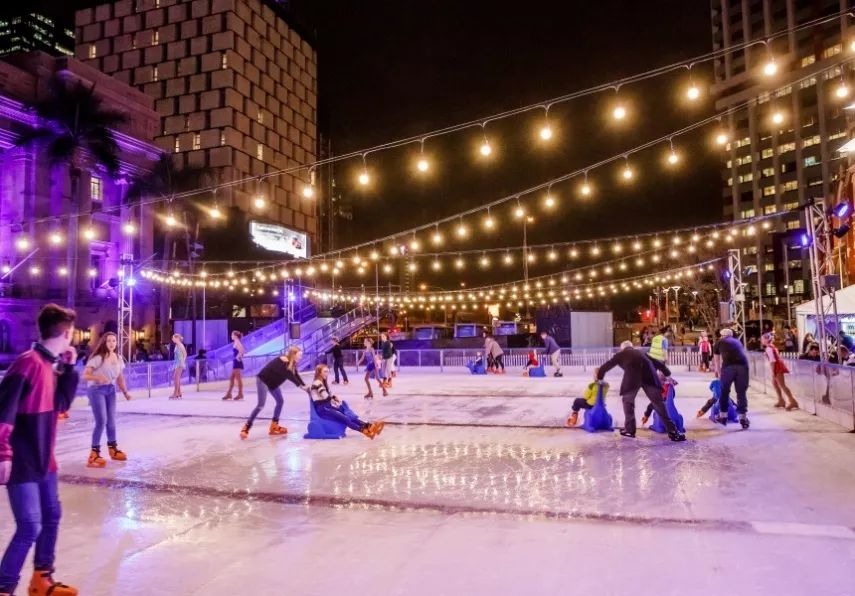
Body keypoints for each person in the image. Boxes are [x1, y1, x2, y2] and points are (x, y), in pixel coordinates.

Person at [0, 304, 79, 596]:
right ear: (67, 333)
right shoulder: (27, 363)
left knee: (52, 515)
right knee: (30, 526)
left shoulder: (48, 365)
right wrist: (3, 453)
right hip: (23, 460)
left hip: (45, 460)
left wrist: (70, 370)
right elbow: (3, 411)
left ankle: (41, 578)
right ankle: (4, 587)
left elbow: (61, 404)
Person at [597, 341, 686, 441]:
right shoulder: (641, 353)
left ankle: (629, 430)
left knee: (628, 402)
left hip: (632, 378)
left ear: (623, 349)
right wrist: (667, 373)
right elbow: (658, 363)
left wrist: (599, 377)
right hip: (650, 376)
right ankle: (674, 432)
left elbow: (607, 366)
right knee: (659, 404)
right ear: (632, 347)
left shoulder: (621, 354)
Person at [82, 332, 132, 468]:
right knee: (101, 421)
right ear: (104, 342)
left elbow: (120, 377)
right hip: (96, 390)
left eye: (114, 341)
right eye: (109, 341)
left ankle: (113, 449)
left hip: (110, 390)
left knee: (111, 421)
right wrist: (98, 378)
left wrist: (125, 392)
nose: (111, 343)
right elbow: (85, 375)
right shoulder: (98, 358)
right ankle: (94, 454)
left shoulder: (118, 358)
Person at [240, 346, 303, 439]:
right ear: (293, 355)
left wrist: (305, 385)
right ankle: (246, 427)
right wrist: (303, 387)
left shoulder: (291, 363)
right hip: (263, 380)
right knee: (261, 405)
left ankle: (274, 425)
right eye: (299, 355)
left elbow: (296, 375)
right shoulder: (283, 362)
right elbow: (291, 377)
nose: (300, 357)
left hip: (272, 383)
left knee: (280, 401)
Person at [309, 365, 385, 439]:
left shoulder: (322, 382)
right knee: (345, 418)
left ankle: (369, 426)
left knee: (348, 415)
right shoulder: (317, 383)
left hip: (327, 407)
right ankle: (365, 431)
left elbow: (328, 396)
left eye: (327, 372)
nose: (327, 373)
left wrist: (334, 399)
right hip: (323, 409)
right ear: (319, 372)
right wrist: (334, 399)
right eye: (325, 372)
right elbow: (326, 396)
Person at [713, 328, 750, 429]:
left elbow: (717, 360)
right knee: (741, 393)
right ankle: (743, 418)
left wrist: (718, 372)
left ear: (721, 335)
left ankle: (723, 416)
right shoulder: (737, 342)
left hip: (728, 368)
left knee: (724, 391)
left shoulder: (719, 342)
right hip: (743, 367)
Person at [761, 333, 799, 411]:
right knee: (775, 384)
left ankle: (793, 401)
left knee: (782, 385)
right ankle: (781, 400)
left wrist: (773, 371)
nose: (761, 340)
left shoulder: (769, 348)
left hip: (777, 367)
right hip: (777, 366)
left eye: (762, 339)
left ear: (766, 339)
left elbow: (772, 361)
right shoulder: (771, 347)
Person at [222, 331, 246, 401]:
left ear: (235, 335)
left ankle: (240, 394)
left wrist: (238, 358)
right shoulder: (236, 342)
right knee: (232, 378)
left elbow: (242, 350)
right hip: (236, 362)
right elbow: (241, 351)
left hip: (237, 362)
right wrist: (238, 357)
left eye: (232, 334)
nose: (231, 336)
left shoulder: (237, 342)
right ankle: (229, 393)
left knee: (238, 378)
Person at [169, 333, 187, 400]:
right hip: (177, 363)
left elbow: (185, 354)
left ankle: (175, 393)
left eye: (173, 338)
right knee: (176, 378)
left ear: (177, 338)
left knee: (176, 378)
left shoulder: (180, 345)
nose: (172, 339)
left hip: (180, 363)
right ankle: (178, 393)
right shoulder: (177, 345)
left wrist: (182, 362)